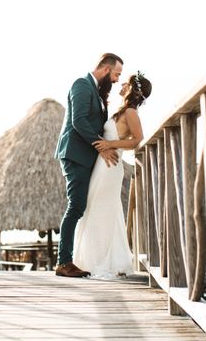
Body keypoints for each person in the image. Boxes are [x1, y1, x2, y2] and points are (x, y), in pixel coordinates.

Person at [72, 71, 152, 279]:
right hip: (103, 164)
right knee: (95, 208)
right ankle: (94, 259)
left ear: (132, 88)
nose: (121, 83)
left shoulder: (131, 112)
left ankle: (99, 261)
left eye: (126, 82)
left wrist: (110, 144)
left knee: (101, 210)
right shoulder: (121, 111)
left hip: (111, 165)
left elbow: (137, 139)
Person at [54, 53, 123, 277]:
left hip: (86, 155)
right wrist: (102, 146)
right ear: (105, 69)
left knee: (80, 206)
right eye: (116, 74)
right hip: (75, 154)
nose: (116, 80)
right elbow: (79, 121)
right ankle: (63, 262)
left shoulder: (97, 91)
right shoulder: (81, 85)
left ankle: (78, 258)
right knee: (76, 206)